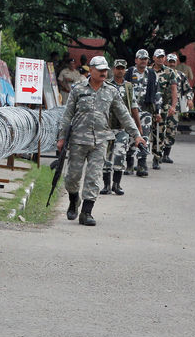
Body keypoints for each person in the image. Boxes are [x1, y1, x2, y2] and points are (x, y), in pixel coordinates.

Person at [57, 56, 146, 226]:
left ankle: (86, 212)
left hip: (100, 141)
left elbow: (124, 114)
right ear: (91, 70)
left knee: (94, 176)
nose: (104, 72)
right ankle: (74, 200)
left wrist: (136, 135)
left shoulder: (111, 91)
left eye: (106, 70)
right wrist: (61, 137)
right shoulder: (78, 89)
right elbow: (67, 115)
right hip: (78, 140)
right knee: (72, 178)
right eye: (100, 69)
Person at [101, 59, 143, 196]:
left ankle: (116, 185)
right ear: (113, 69)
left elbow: (134, 107)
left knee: (120, 155)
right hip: (107, 128)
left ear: (125, 70)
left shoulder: (128, 87)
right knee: (106, 157)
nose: (120, 70)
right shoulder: (106, 85)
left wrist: (138, 127)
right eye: (118, 68)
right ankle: (106, 185)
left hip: (122, 129)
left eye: (122, 68)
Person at [124, 49, 158, 176]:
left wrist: (158, 111)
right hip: (130, 111)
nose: (143, 61)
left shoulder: (151, 74)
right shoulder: (128, 73)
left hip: (146, 110)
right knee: (131, 137)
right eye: (141, 58)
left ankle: (142, 165)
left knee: (144, 136)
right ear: (136, 60)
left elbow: (156, 93)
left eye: (145, 59)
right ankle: (129, 164)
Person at [149, 48, 178, 170]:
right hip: (148, 105)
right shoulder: (148, 71)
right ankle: (141, 159)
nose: (161, 59)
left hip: (163, 106)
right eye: (158, 57)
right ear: (154, 58)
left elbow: (174, 90)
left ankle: (157, 157)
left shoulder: (169, 72)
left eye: (162, 57)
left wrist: (173, 106)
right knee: (145, 132)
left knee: (160, 132)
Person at [165, 53, 193, 163]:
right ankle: (156, 154)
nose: (171, 64)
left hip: (174, 108)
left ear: (176, 62)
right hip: (160, 107)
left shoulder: (181, 75)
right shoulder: (160, 74)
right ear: (166, 62)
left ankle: (166, 154)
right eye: (170, 61)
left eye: (173, 62)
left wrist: (189, 99)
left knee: (171, 130)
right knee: (157, 131)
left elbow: (188, 89)